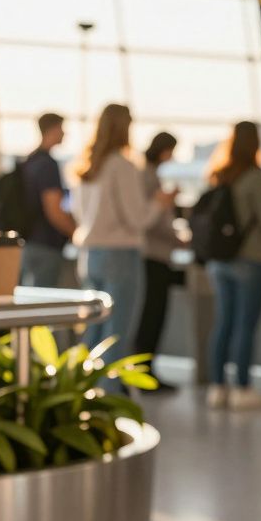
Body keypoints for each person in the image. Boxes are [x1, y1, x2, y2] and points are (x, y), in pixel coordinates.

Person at [71, 104, 175, 390]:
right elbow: (138, 218)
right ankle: (108, 398)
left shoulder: (86, 167)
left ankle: (82, 392)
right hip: (120, 255)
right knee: (116, 334)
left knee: (93, 331)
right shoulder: (123, 166)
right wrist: (160, 203)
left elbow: (79, 215)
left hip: (90, 255)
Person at [203, 121, 261, 411]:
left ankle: (217, 387)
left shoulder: (219, 174)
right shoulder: (255, 175)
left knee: (223, 323)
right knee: (245, 325)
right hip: (251, 259)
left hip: (219, 261)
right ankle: (241, 387)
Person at [135, 131, 183, 391]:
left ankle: (144, 372)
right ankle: (145, 374)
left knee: (149, 316)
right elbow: (149, 220)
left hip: (151, 254)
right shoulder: (147, 176)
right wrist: (176, 237)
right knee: (152, 317)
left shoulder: (145, 173)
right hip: (153, 255)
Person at [19, 112, 76, 287]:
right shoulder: (47, 165)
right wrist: (75, 233)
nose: (64, 133)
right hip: (46, 245)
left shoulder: (29, 162)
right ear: (53, 129)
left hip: (28, 242)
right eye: (62, 128)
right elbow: (54, 210)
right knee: (44, 298)